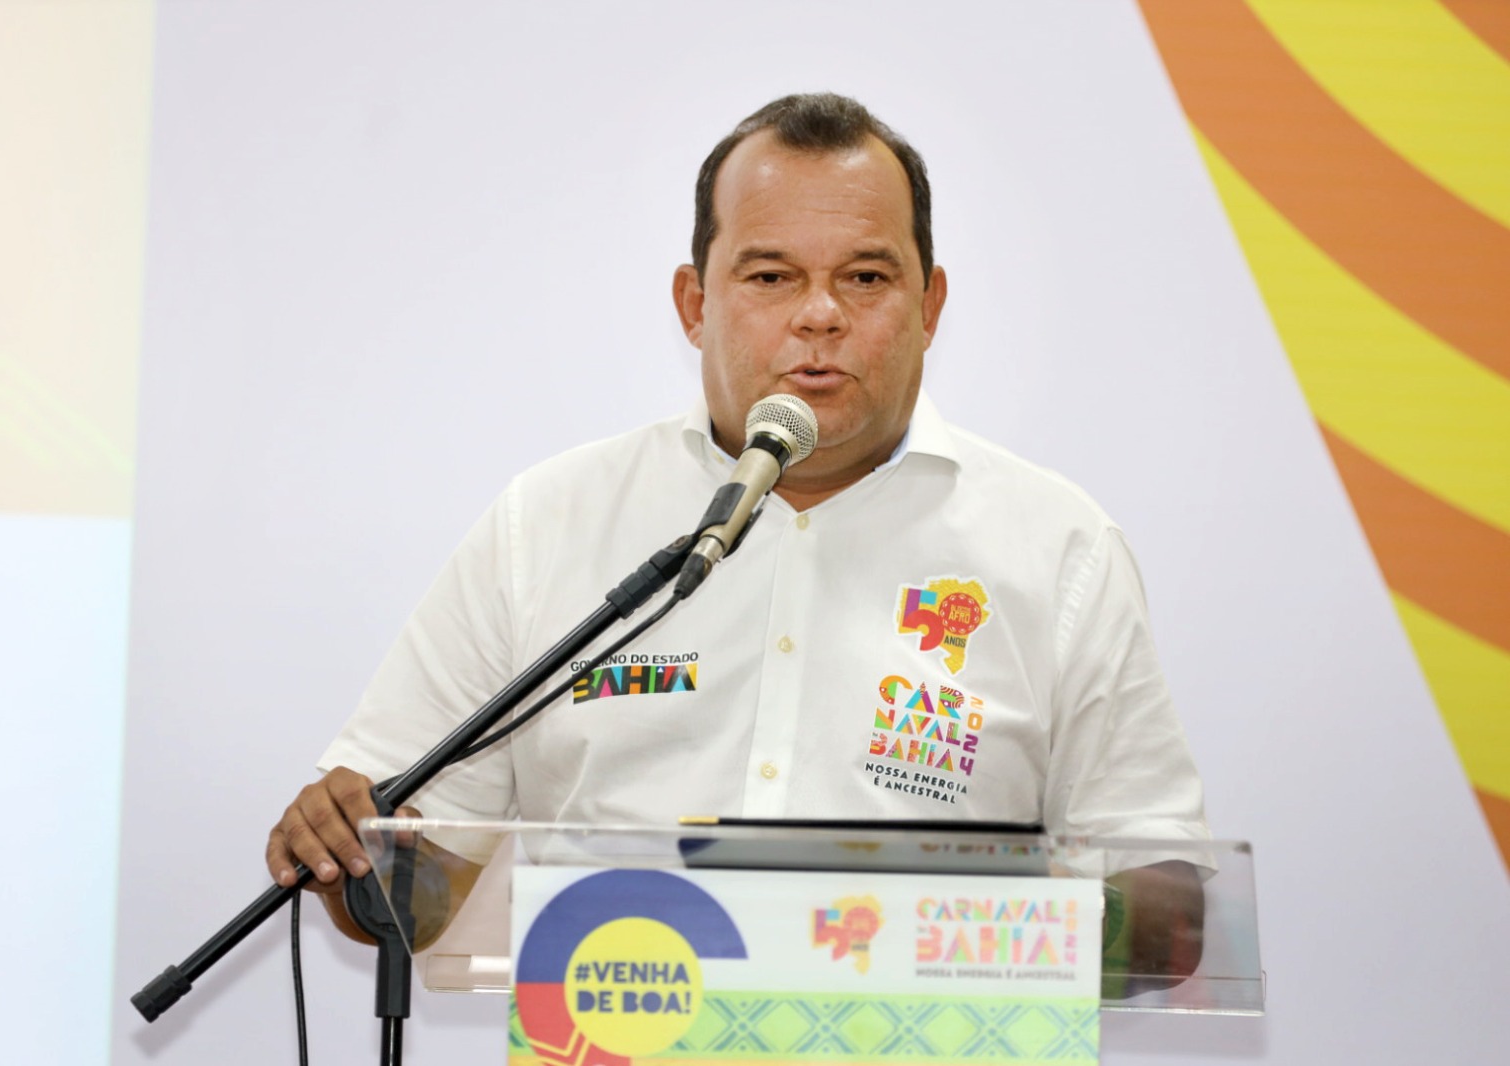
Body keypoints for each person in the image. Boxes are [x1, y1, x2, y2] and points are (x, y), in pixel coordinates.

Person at [265, 93, 1209, 968]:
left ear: (929, 307)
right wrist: (354, 854)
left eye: (866, 277)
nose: (819, 315)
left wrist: (946, 926)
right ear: (695, 303)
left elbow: (1167, 917)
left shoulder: (1057, 547)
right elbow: (418, 895)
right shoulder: (550, 523)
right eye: (771, 276)